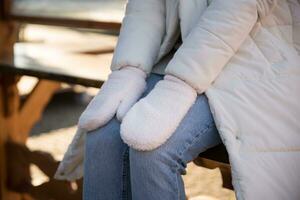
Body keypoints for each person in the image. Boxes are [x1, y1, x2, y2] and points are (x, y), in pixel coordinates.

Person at [55, 0, 300, 199]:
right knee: (102, 135)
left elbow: (236, 9)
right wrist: (129, 70)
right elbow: (147, 7)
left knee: (152, 151)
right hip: (176, 60)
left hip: (254, 65)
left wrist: (180, 86)